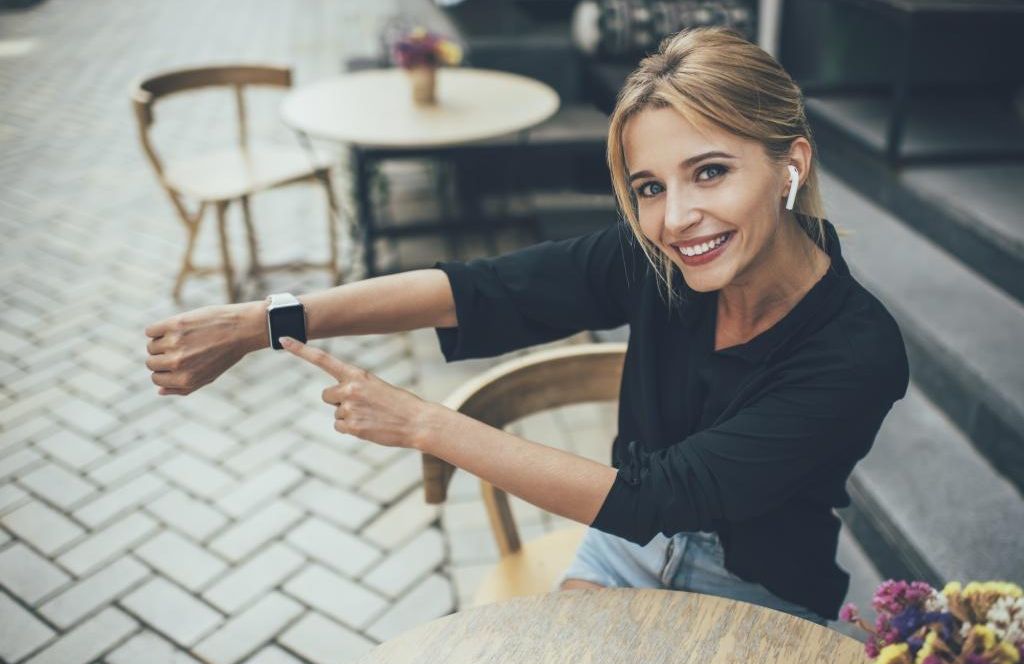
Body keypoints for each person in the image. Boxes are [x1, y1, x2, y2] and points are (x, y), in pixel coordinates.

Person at [144, 27, 909, 627]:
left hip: (760, 587)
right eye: (650, 186)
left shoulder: (857, 351)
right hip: (623, 546)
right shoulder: (658, 259)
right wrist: (265, 320)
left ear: (790, 165)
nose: (676, 219)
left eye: (710, 171)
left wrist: (422, 422)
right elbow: (479, 289)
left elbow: (663, 494)